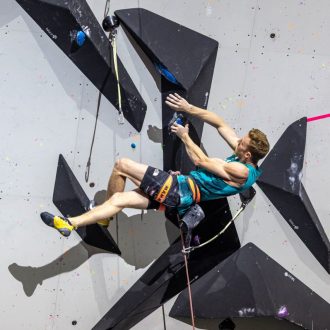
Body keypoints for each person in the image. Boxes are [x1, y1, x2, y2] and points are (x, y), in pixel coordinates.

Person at [40, 93, 270, 237]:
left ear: (248, 154)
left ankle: (103, 217)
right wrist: (188, 108)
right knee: (120, 200)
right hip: (178, 195)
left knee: (122, 165)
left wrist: (184, 136)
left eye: (241, 142)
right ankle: (71, 223)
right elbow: (220, 123)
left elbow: (201, 161)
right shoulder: (244, 158)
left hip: (179, 189)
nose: (237, 140)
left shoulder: (241, 170)